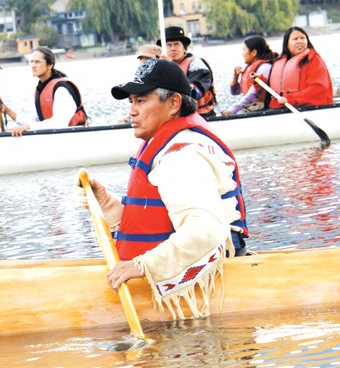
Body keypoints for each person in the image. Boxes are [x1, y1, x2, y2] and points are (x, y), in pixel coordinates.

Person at [79, 59, 248, 319]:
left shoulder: (183, 154)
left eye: (142, 101)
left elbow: (205, 231)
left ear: (174, 104)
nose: (132, 112)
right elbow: (159, 216)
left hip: (218, 259)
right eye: (131, 102)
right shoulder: (169, 144)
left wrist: (142, 266)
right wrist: (110, 206)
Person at [4, 47, 87, 137]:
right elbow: (33, 121)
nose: (33, 65)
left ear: (50, 65)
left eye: (37, 62)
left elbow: (59, 123)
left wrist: (28, 127)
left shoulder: (61, 89)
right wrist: (6, 110)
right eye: (31, 62)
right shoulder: (40, 89)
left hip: (73, 139)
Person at [157, 26, 217, 117]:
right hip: (175, 117)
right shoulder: (159, 67)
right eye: (169, 45)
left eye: (176, 44)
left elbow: (194, 93)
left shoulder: (197, 64)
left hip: (201, 116)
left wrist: (170, 71)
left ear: (185, 48)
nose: (173, 48)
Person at [267, 26, 333, 109]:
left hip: (314, 107)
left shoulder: (314, 60)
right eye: (295, 39)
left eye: (302, 38)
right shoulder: (280, 62)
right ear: (286, 43)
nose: (300, 41)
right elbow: (277, 84)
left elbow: (318, 87)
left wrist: (291, 99)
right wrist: (259, 80)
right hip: (287, 107)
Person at [223, 36, 278, 115]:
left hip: (262, 105)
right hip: (251, 105)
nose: (242, 53)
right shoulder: (249, 67)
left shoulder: (265, 68)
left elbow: (252, 94)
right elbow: (234, 92)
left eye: (244, 49)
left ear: (254, 53)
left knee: (238, 113)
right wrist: (235, 77)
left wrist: (233, 109)